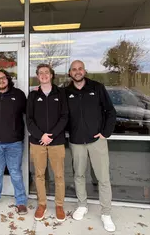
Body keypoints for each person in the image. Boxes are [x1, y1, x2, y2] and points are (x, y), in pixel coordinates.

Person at [65, 60, 116, 232]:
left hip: (97, 141)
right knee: (79, 175)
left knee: (103, 178)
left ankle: (106, 213)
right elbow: (62, 115)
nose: (77, 72)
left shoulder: (97, 87)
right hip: (76, 141)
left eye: (80, 69)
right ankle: (82, 205)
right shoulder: (66, 91)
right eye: (74, 69)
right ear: (70, 73)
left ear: (84, 71)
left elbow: (110, 111)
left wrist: (105, 133)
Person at [27, 64, 68, 221]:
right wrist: (41, 136)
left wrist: (50, 135)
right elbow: (29, 119)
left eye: (46, 72)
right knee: (39, 174)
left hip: (56, 142)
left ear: (51, 75)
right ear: (38, 76)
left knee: (58, 175)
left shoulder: (61, 93)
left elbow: (65, 116)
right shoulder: (33, 95)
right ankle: (42, 204)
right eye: (41, 73)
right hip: (37, 143)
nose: (44, 75)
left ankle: (59, 205)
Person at [0, 69, 28, 215]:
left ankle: (21, 202)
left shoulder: (19, 95)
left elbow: (29, 114)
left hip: (14, 143)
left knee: (15, 172)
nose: (1, 80)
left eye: (3, 78)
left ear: (8, 79)